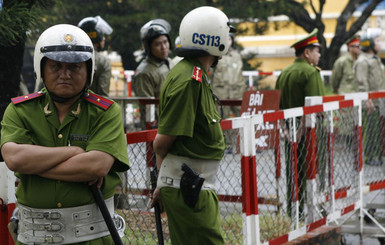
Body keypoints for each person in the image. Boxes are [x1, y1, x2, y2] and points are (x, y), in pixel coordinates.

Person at [1, 24, 129, 244]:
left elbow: (96, 166)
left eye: (75, 66)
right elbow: (14, 158)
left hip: (92, 238)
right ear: (41, 68)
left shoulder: (106, 113)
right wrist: (76, 153)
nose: (65, 74)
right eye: (56, 66)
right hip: (34, 238)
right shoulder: (20, 110)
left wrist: (34, 165)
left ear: (88, 69)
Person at [150, 6, 236, 244]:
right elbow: (162, 143)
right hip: (187, 188)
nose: (228, 40)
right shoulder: (189, 79)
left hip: (194, 186)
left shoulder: (195, 73)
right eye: (225, 34)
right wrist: (163, 183)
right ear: (214, 37)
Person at [275, 28, 325, 219]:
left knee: (293, 171)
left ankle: (292, 211)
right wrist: (301, 132)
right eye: (317, 50)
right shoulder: (310, 73)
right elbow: (313, 108)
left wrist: (286, 131)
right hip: (307, 131)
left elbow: (276, 106)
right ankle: (308, 212)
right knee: (310, 170)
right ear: (307, 53)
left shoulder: (284, 73)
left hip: (289, 130)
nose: (319, 55)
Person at [132, 18, 172, 129]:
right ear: (149, 48)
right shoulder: (144, 72)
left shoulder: (168, 62)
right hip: (159, 128)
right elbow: (148, 108)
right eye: (158, 44)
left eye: (165, 42)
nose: (164, 47)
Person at [353, 28, 385, 166]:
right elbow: (362, 82)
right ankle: (369, 156)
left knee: (378, 130)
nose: (379, 43)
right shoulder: (362, 61)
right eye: (377, 41)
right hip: (371, 102)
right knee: (370, 131)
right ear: (370, 44)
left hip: (380, 102)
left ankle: (378, 154)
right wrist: (367, 100)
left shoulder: (375, 59)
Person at [209, 33, 246, 118]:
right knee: (221, 117)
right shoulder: (216, 55)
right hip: (221, 93)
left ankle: (238, 132)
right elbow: (210, 74)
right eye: (225, 39)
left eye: (229, 39)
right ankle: (224, 132)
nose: (227, 41)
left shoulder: (237, 56)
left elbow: (241, 74)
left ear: (232, 41)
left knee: (241, 117)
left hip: (237, 92)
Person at [78, 16, 113, 97]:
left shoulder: (69, 55)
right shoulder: (103, 61)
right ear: (96, 36)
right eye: (102, 34)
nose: (104, 38)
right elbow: (103, 96)